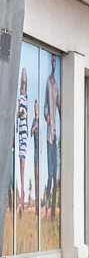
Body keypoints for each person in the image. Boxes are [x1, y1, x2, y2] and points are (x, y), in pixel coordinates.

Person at [44, 54, 61, 218]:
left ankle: (53, 211)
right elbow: (44, 106)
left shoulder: (57, 87)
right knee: (49, 174)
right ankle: (47, 207)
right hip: (49, 134)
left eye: (56, 61)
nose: (55, 64)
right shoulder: (48, 83)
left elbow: (61, 109)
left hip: (55, 134)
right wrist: (45, 116)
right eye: (53, 61)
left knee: (55, 174)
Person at [18, 68, 28, 215]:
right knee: (21, 167)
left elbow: (25, 115)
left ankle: (22, 197)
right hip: (20, 131)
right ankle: (21, 199)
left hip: (24, 132)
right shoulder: (20, 96)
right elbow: (19, 113)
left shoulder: (25, 96)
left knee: (23, 166)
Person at [31, 100, 39, 216]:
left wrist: (38, 126)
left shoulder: (41, 120)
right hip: (35, 155)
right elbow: (31, 132)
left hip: (41, 155)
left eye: (36, 107)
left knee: (39, 180)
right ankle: (37, 209)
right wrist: (35, 127)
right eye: (34, 107)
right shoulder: (34, 121)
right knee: (36, 180)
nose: (35, 108)